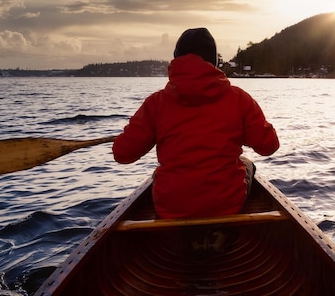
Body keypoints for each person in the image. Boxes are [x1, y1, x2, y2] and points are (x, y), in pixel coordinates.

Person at [112, 28, 279, 219]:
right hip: (226, 206)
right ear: (214, 62)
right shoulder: (239, 99)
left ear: (175, 58)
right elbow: (269, 146)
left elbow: (122, 154)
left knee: (160, 177)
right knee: (247, 163)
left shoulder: (155, 104)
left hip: (171, 210)